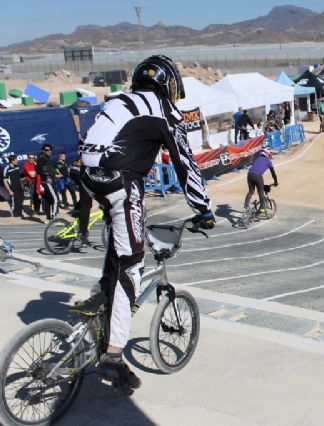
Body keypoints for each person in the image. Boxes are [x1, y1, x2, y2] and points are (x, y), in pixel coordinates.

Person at [72, 54, 215, 394]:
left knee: (119, 248)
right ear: (169, 84)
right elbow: (185, 163)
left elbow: (91, 145)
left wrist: (81, 216)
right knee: (132, 265)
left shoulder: (118, 100)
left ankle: (102, 294)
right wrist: (203, 209)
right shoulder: (165, 109)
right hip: (121, 180)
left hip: (88, 175)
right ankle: (114, 355)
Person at [244, 147, 278, 216]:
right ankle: (262, 208)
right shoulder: (268, 161)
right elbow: (273, 173)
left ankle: (246, 206)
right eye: (270, 153)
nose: (271, 155)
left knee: (251, 191)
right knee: (261, 192)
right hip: (258, 176)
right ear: (267, 153)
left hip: (249, 174)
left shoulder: (258, 159)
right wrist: (276, 182)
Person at [36, 143, 58, 221]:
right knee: (55, 199)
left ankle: (49, 218)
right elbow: (38, 170)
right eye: (47, 150)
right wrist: (46, 178)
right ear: (43, 151)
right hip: (47, 182)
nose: (49, 151)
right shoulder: (42, 158)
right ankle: (54, 218)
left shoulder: (47, 158)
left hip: (48, 182)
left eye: (50, 150)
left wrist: (55, 175)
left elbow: (48, 169)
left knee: (48, 200)